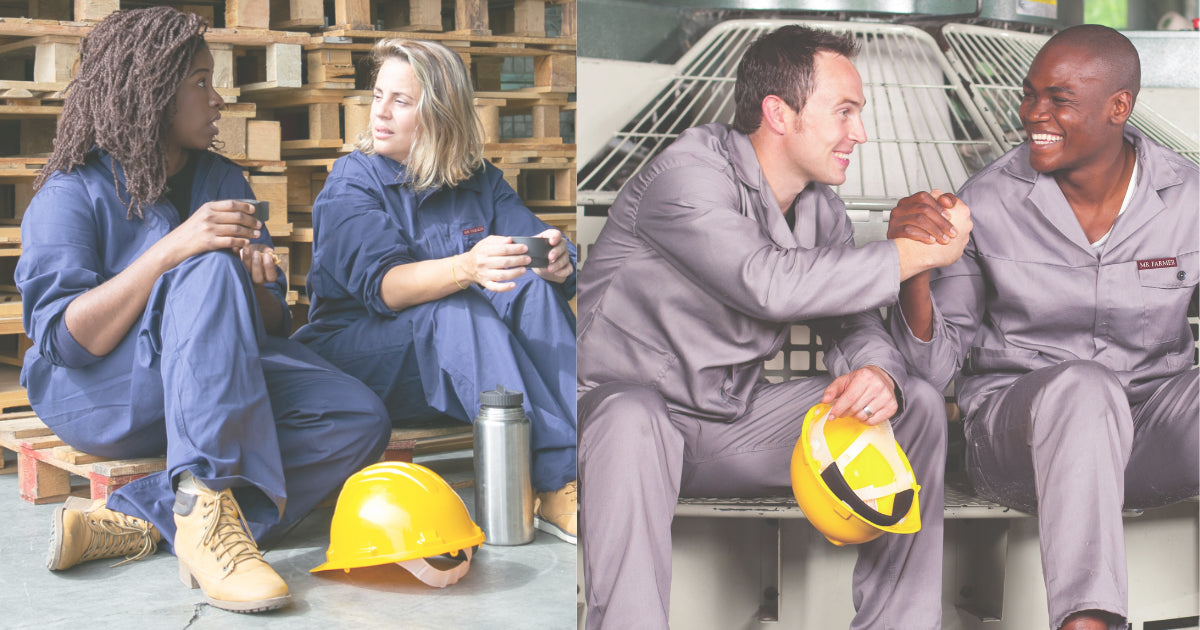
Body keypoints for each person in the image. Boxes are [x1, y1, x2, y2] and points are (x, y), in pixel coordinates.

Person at [577, 25, 972, 629]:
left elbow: (855, 324)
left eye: (858, 114)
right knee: (632, 416)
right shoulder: (685, 176)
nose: (859, 133)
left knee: (913, 403)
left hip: (728, 421)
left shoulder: (820, 208)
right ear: (778, 113)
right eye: (844, 112)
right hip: (622, 425)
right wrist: (917, 255)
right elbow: (768, 283)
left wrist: (877, 374)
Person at [16, 7, 391, 613]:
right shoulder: (71, 190)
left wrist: (260, 288)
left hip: (213, 378)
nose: (218, 98)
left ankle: (144, 518)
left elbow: (272, 324)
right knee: (206, 262)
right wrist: (174, 250)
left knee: (355, 417)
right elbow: (64, 340)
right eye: (199, 81)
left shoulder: (222, 178)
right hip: (104, 392)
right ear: (153, 91)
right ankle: (209, 499)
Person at [887, 24, 1198, 630]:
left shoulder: (1187, 196)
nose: (1033, 114)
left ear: (1118, 108)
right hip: (1018, 441)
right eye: (1030, 95)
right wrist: (912, 264)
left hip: (1149, 433)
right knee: (1084, 387)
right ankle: (1087, 623)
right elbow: (927, 369)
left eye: (1058, 99)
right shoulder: (988, 202)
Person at [291, 39, 579, 543]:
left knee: (530, 285)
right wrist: (466, 267)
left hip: (465, 374)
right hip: (363, 363)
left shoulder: (478, 181)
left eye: (401, 101)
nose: (379, 113)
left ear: (441, 114)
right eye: (378, 95)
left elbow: (534, 248)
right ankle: (551, 482)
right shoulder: (351, 184)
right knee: (458, 308)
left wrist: (557, 259)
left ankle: (582, 469)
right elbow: (387, 288)